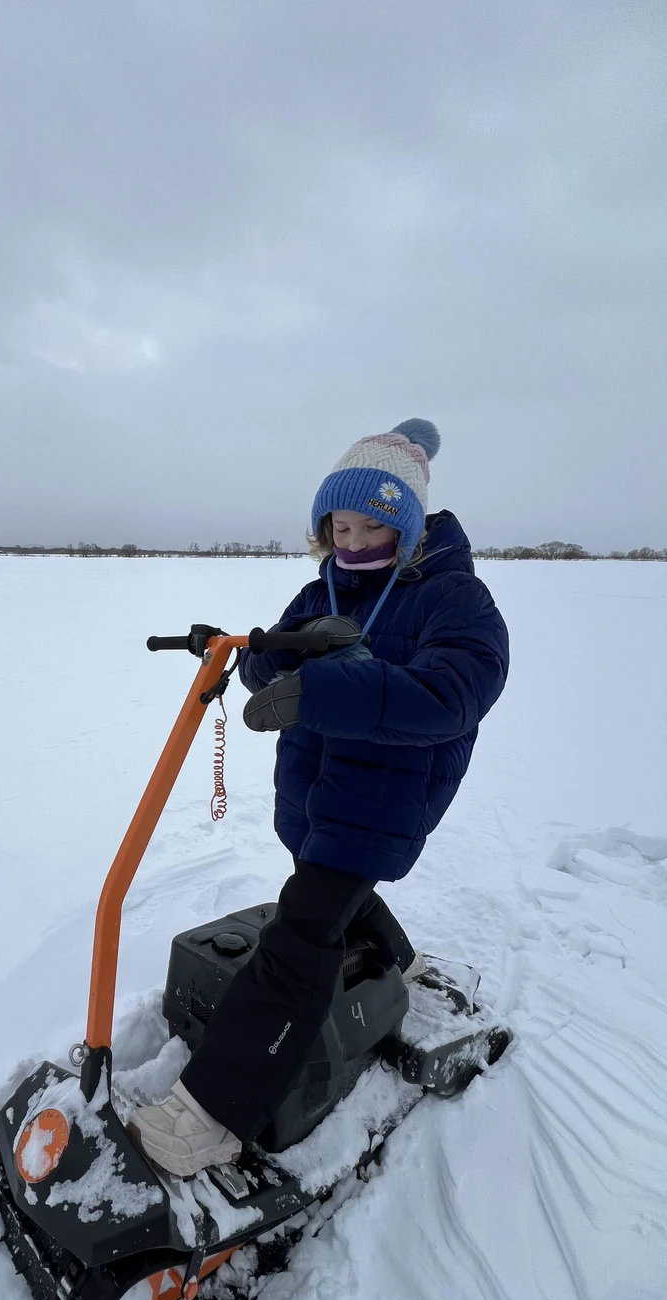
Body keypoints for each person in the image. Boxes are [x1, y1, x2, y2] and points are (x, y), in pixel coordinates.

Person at [130, 418, 510, 1177]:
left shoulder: (453, 598)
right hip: (313, 795)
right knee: (328, 890)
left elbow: (455, 690)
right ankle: (396, 962)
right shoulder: (322, 588)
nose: (356, 539)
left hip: (383, 798)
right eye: (341, 523)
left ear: (407, 526)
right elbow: (270, 668)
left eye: (375, 525)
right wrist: (258, 660)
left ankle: (214, 1110)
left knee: (301, 936)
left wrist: (330, 686)